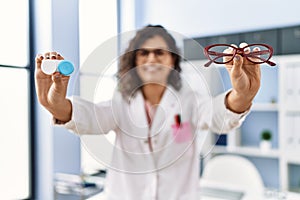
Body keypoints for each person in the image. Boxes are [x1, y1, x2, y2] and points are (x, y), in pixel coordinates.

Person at [35, 25, 261, 200]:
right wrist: (56, 105)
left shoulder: (189, 100)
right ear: (135, 61)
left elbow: (216, 114)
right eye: (144, 53)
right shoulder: (122, 100)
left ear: (173, 59)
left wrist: (242, 96)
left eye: (160, 52)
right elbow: (92, 117)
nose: (152, 59)